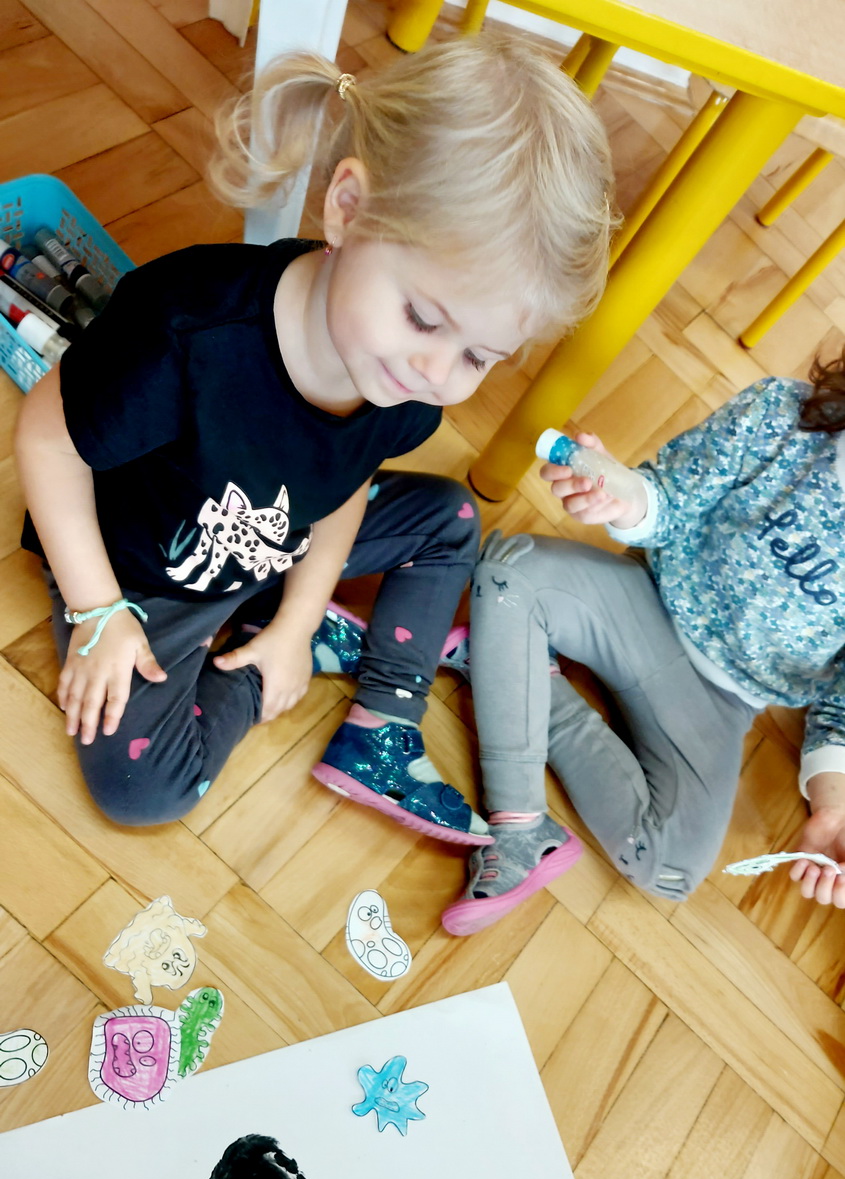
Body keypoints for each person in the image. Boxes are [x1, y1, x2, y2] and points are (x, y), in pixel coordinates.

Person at [13, 33, 614, 837]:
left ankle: (380, 708)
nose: (437, 372)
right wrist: (96, 612)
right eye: (422, 317)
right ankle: (260, 653)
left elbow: (343, 483)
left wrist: (296, 622)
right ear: (348, 209)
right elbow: (47, 442)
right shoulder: (183, 334)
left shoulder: (399, 376)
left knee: (452, 521)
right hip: (143, 577)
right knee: (142, 792)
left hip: (278, 541)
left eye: (479, 356)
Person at [442, 354, 845, 934]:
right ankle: (519, 824)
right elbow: (669, 498)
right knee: (511, 573)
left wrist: (832, 805)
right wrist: (630, 501)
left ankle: (509, 671)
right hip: (640, 597)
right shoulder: (780, 412)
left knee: (669, 867)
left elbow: (839, 707)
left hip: (720, 703)